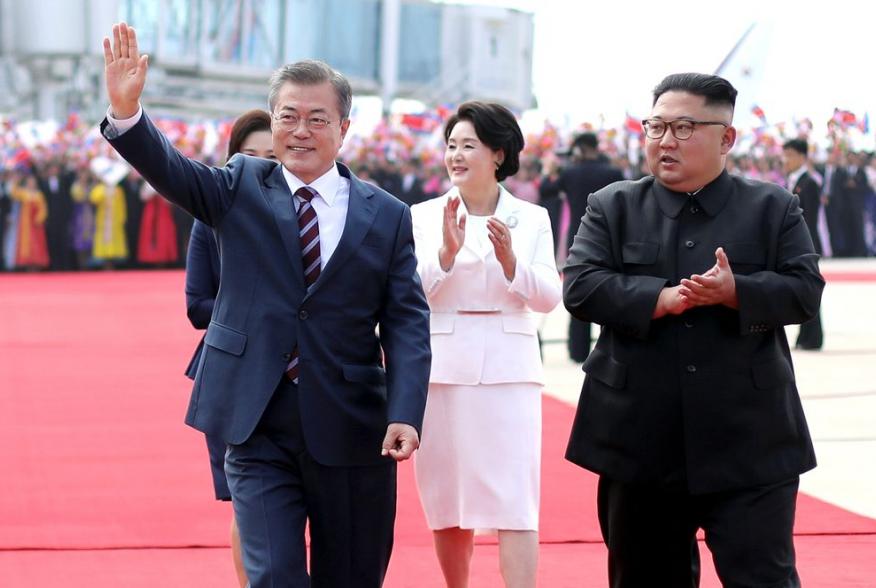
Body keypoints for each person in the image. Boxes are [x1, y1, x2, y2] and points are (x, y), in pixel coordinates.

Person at [102, 23, 431, 587]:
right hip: (255, 418)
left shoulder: (387, 214)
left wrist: (406, 409)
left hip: (352, 423)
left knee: (352, 576)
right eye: (287, 116)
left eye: (317, 118)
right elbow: (173, 172)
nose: (300, 131)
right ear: (272, 119)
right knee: (275, 576)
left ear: (344, 128)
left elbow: (405, 321)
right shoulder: (239, 185)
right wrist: (128, 113)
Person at [563, 73, 823, 587]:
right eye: (655, 126)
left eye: (684, 128)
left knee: (763, 578)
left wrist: (736, 292)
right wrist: (655, 299)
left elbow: (805, 291)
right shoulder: (612, 205)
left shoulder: (772, 207)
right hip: (638, 439)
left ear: (726, 138)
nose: (665, 140)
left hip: (750, 438)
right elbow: (582, 286)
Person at [411, 101, 561, 588]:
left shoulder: (531, 217)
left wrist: (512, 263)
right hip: (441, 369)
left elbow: (548, 299)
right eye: (451, 146)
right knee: (447, 499)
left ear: (498, 153)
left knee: (515, 499)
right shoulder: (422, 215)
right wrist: (445, 255)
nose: (456, 155)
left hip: (509, 370)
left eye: (468, 146)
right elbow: (409, 294)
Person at [183, 108, 276, 588]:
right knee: (250, 504)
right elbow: (196, 305)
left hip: (298, 373)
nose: (261, 167)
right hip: (232, 372)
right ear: (231, 161)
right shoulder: (211, 218)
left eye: (272, 157)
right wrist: (252, 302)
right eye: (249, 156)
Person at [542, 132, 624, 363]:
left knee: (580, 294)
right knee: (611, 295)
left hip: (579, 240)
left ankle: (578, 352)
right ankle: (608, 350)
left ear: (578, 148)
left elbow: (546, 190)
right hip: (612, 239)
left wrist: (551, 170)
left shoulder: (569, 172)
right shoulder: (613, 172)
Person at [782, 138, 824, 350]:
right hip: (794, 244)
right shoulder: (791, 181)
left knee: (809, 288)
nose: (785, 160)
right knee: (799, 288)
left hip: (806, 243)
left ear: (801, 157)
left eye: (789, 155)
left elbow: (811, 218)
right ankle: (804, 335)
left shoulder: (809, 183)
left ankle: (814, 337)